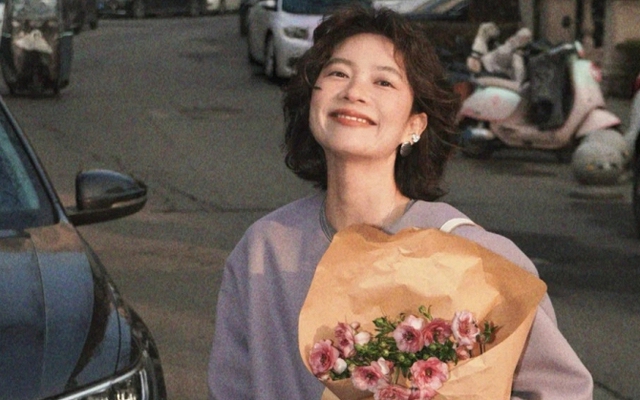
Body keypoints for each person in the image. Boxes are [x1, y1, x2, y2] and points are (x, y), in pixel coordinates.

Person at [207, 5, 593, 400]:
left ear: (414, 125)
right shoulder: (263, 251)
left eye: (384, 82)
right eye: (338, 73)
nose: (354, 92)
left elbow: (562, 391)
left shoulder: (476, 257)